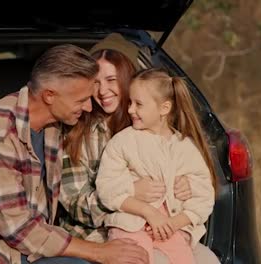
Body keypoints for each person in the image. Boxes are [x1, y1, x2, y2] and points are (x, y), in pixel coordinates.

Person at [0, 44, 149, 264]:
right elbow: (17, 227)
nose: (88, 107)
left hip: (12, 245)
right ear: (49, 96)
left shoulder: (55, 123)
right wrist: (99, 251)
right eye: (82, 100)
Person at [60, 33, 220, 263]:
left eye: (111, 80)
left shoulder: (156, 127)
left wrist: (185, 185)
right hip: (97, 236)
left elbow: (201, 185)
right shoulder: (79, 134)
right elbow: (74, 203)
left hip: (165, 230)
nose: (102, 90)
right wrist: (131, 192)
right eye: (96, 82)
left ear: (128, 79)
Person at [95, 68, 216, 264]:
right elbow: (107, 188)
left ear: (164, 108)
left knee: (185, 259)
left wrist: (174, 223)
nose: (130, 109)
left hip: (169, 229)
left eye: (138, 104)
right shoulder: (123, 142)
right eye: (130, 102)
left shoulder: (184, 147)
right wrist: (148, 211)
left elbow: (205, 195)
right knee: (136, 258)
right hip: (130, 225)